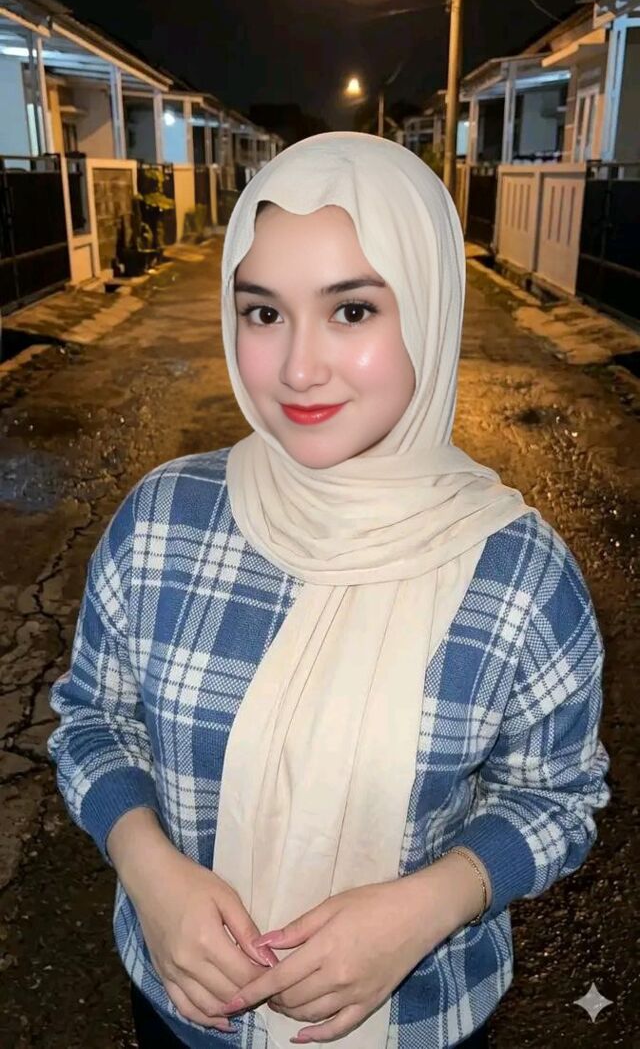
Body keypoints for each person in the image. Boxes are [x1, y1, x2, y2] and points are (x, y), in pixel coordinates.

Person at [48, 133, 610, 1049]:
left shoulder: (519, 576)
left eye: (352, 310)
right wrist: (148, 869)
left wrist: (428, 907)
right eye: (263, 312)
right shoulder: (162, 520)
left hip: (419, 1021)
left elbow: (558, 796)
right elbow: (91, 720)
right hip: (184, 1015)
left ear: (428, 308)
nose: (298, 368)